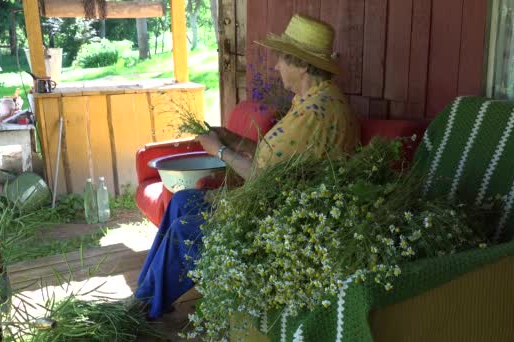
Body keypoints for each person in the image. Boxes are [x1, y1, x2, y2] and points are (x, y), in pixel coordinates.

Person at [135, 14, 360, 319]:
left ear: (303, 65)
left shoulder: (317, 113)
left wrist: (221, 150)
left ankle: (145, 305)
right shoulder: (313, 100)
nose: (277, 66)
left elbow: (266, 176)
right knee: (183, 201)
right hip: (276, 200)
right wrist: (232, 139)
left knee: (187, 225)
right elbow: (276, 156)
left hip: (283, 215)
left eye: (282, 60)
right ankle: (145, 297)